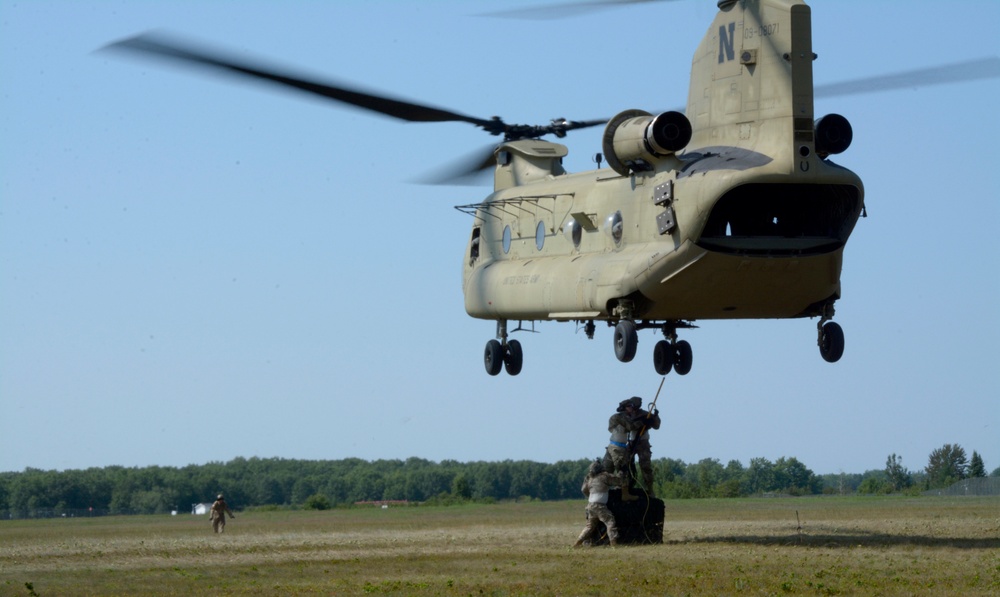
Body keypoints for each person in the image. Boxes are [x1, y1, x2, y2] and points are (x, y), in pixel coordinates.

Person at [574, 460, 622, 547]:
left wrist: (590, 495)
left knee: (589, 527)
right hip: (600, 506)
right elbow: (618, 482)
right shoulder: (604, 476)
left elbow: (583, 490)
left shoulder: (589, 478)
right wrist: (621, 475)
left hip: (590, 505)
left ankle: (577, 543)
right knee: (610, 522)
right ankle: (613, 544)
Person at [603, 398, 641, 501]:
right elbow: (631, 426)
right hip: (618, 448)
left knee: (607, 470)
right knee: (622, 471)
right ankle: (624, 494)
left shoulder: (621, 417)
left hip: (613, 446)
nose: (632, 408)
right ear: (624, 408)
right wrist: (642, 422)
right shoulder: (620, 417)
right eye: (630, 406)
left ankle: (605, 492)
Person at [625, 396, 661, 496]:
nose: (629, 407)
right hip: (631, 442)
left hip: (643, 442)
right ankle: (625, 486)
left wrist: (655, 417)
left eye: (631, 404)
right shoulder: (627, 415)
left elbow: (656, 426)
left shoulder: (646, 414)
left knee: (645, 466)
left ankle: (649, 489)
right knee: (625, 464)